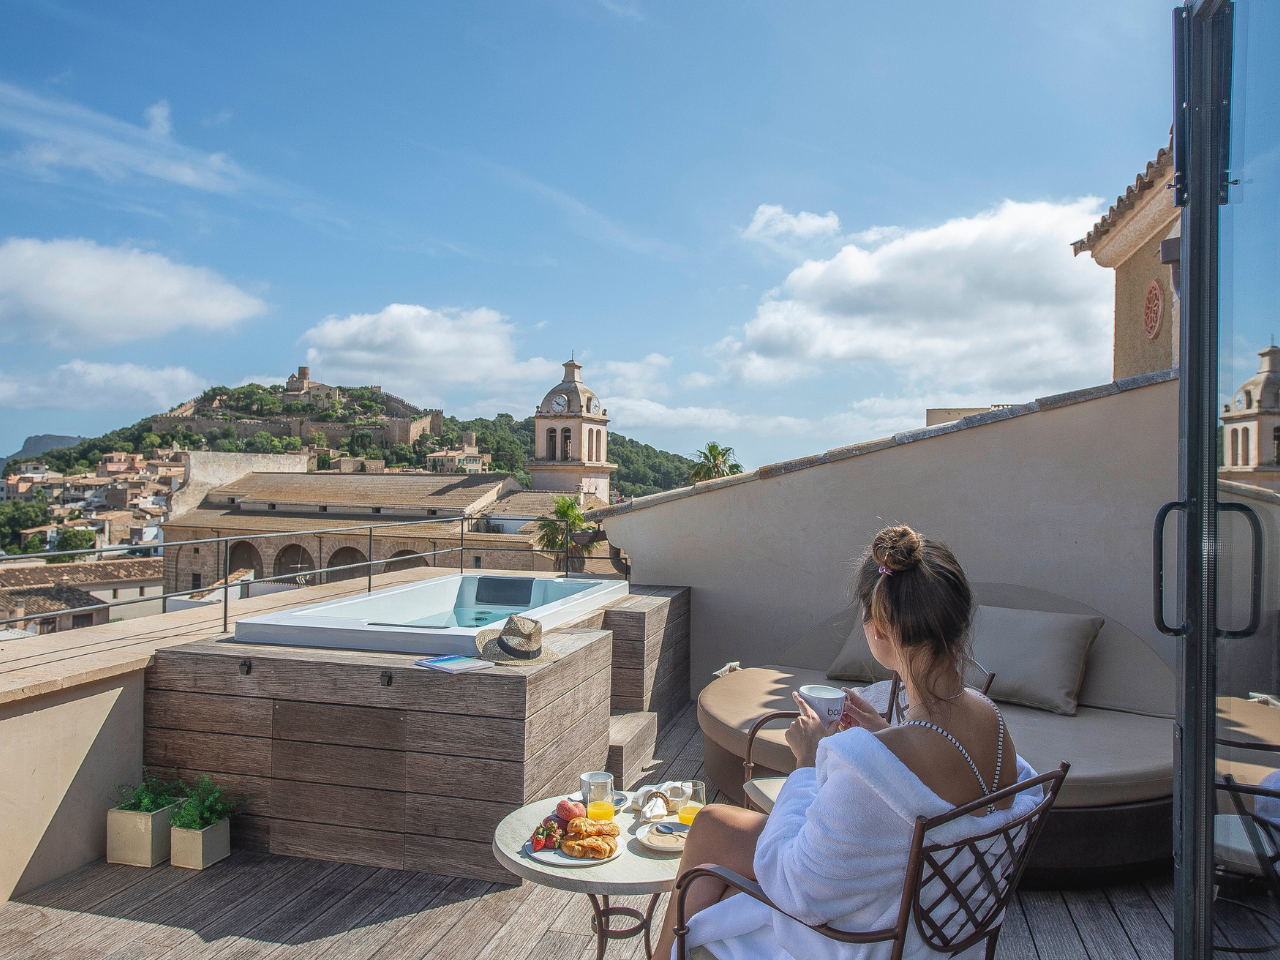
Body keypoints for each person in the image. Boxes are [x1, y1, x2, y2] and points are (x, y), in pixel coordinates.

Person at [651, 525, 1040, 960]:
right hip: (935, 921)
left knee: (710, 825)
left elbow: (799, 887)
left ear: (878, 630)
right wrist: (881, 735)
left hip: (866, 938)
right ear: (959, 618)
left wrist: (806, 760)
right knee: (719, 834)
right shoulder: (993, 720)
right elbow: (941, 776)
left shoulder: (872, 763)